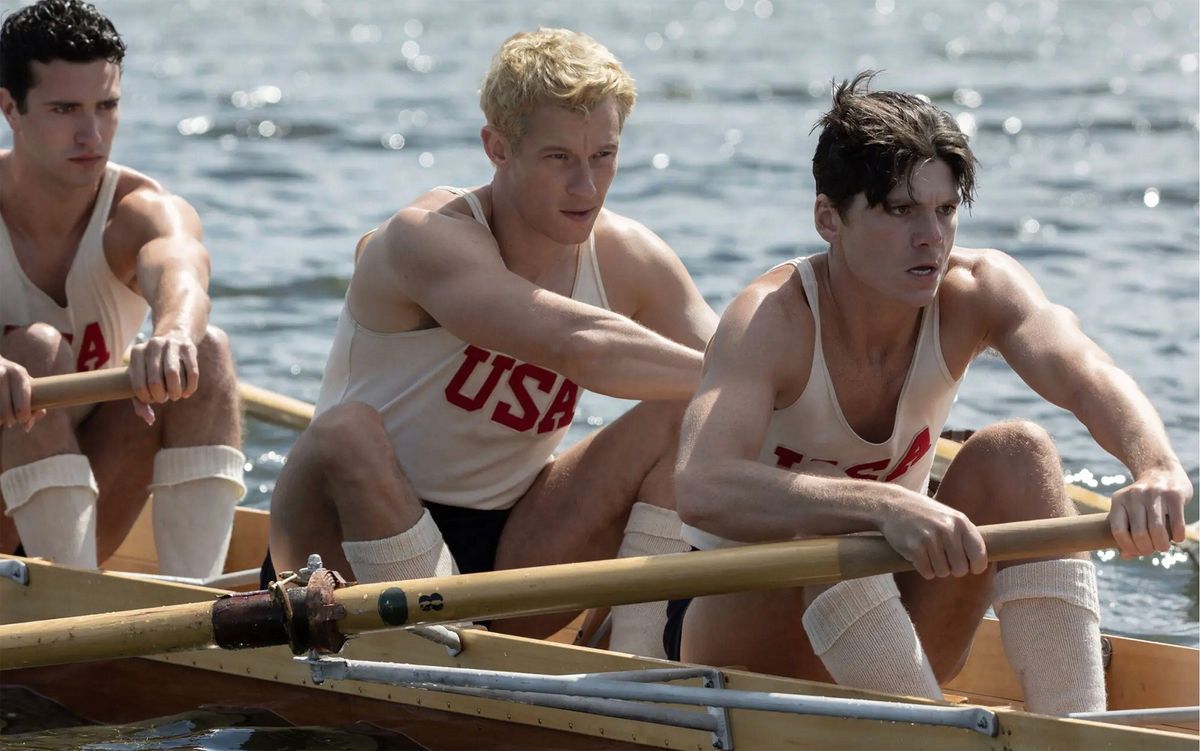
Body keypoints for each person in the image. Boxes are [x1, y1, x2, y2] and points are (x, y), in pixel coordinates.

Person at [670, 72, 1193, 714]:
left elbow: (1087, 370)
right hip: (741, 639)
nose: (931, 238)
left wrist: (1157, 466)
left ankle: (1077, 728)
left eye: (944, 211)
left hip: (894, 628)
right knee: (816, 525)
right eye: (900, 211)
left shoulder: (976, 289)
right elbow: (701, 485)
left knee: (1017, 451)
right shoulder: (771, 321)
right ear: (828, 218)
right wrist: (880, 504)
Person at [268, 28, 717, 656]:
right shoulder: (424, 237)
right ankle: (439, 655)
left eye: (604, 155)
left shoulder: (632, 257)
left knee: (685, 412)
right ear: (497, 147)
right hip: (346, 533)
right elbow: (576, 343)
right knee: (346, 431)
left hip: (513, 546)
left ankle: (640, 668)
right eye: (559, 158)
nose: (587, 188)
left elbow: (736, 368)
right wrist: (746, 380)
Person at [0, 0, 244, 579]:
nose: (92, 134)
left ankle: (195, 609)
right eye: (65, 109)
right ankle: (76, 613)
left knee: (205, 351)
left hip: (89, 500)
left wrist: (175, 333)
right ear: (9, 106)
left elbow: (181, 266)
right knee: (36, 350)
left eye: (106, 107)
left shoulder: (138, 210)